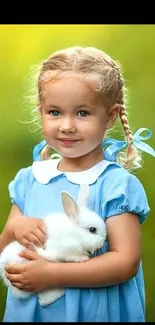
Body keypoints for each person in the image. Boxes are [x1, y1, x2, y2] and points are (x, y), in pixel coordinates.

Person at [0, 46, 155, 322]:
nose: (67, 125)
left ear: (110, 116)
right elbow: (6, 244)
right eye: (55, 112)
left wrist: (53, 274)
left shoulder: (115, 184)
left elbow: (125, 261)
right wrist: (16, 227)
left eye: (82, 113)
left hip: (93, 313)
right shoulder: (31, 178)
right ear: (41, 112)